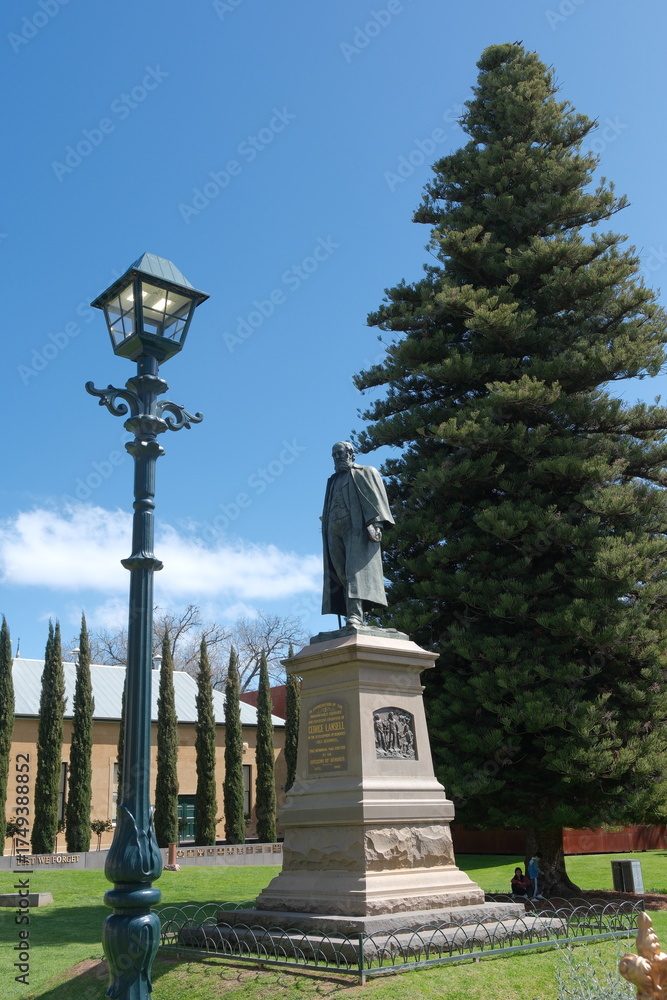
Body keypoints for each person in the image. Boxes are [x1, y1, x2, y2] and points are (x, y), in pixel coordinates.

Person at [321, 441, 394, 626]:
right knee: (339, 572)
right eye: (334, 455)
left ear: (350, 453)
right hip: (333, 530)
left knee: (354, 571)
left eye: (340, 453)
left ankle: (354, 615)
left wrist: (376, 523)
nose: (337, 457)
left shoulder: (366, 472)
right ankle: (353, 613)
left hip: (356, 529)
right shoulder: (332, 481)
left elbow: (376, 499)